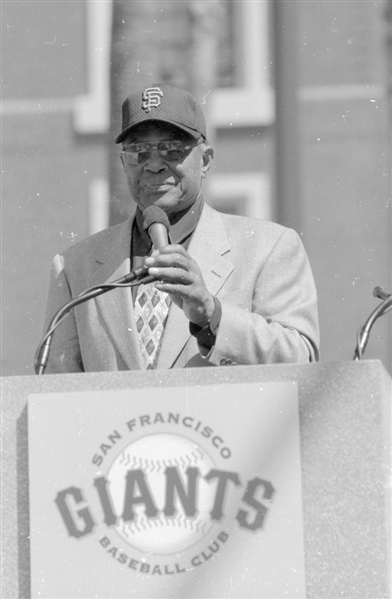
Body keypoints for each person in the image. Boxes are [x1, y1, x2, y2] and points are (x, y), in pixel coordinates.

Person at [42, 83, 319, 373]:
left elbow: (302, 361)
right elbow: (56, 392)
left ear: (205, 161)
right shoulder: (75, 268)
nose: (154, 165)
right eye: (138, 151)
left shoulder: (269, 246)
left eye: (172, 149)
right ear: (124, 162)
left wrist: (211, 314)